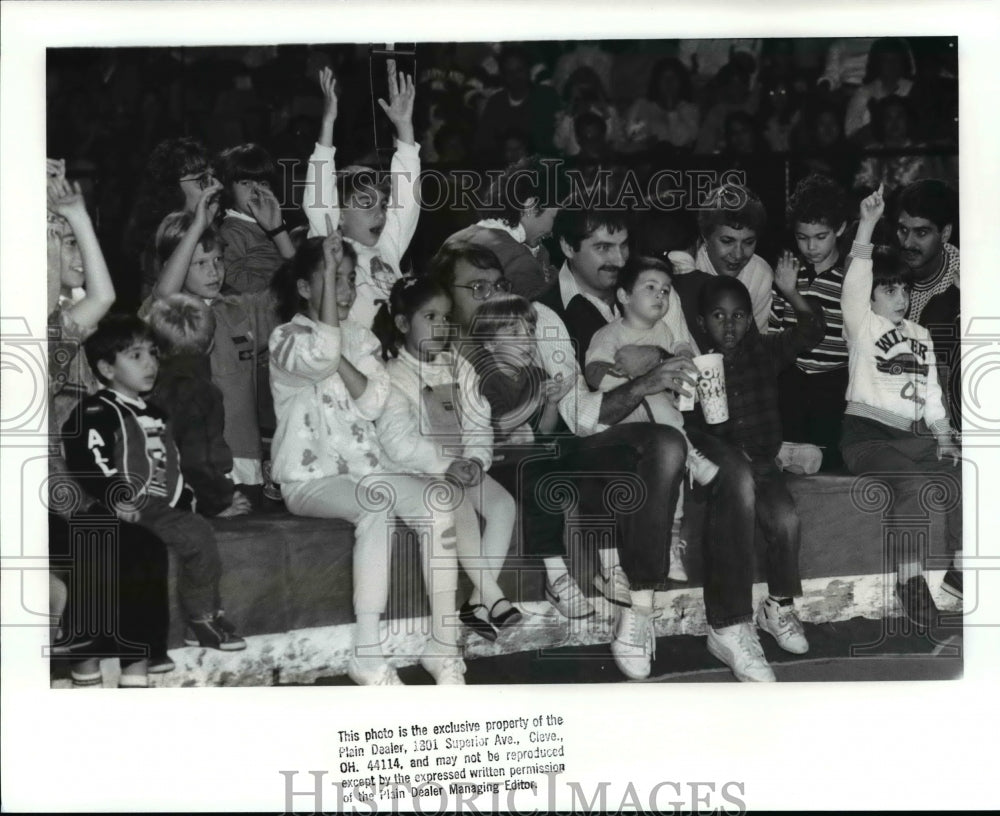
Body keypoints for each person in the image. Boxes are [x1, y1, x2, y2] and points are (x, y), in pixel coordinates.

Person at [432, 239, 694, 681]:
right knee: (541, 469)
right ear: (445, 294)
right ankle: (556, 576)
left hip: (545, 441)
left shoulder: (534, 327)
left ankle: (635, 596)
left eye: (496, 285)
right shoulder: (443, 351)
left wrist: (552, 399)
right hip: (489, 462)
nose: (490, 296)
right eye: (475, 287)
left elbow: (574, 417)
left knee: (662, 443)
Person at [269, 229, 465, 685]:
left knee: (437, 503)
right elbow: (317, 357)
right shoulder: (285, 338)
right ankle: (368, 650)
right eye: (332, 278)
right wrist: (333, 347)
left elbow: (373, 402)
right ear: (303, 288)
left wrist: (339, 351)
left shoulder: (361, 339)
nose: (345, 290)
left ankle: (444, 644)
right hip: (309, 478)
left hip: (364, 469)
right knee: (375, 508)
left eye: (350, 279)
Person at [47, 162, 171, 685]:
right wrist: (52, 227)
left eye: (73, 243)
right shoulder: (32, 329)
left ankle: (139, 669)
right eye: (62, 244)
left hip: (77, 487)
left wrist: (74, 214)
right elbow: (80, 291)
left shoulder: (69, 326)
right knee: (99, 544)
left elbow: (101, 295)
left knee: (143, 546)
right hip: (38, 494)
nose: (72, 250)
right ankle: (82, 668)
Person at [64, 314, 246, 652]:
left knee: (198, 532)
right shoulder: (97, 410)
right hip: (125, 504)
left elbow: (171, 463)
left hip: (159, 506)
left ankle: (203, 619)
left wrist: (188, 499)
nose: (149, 364)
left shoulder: (155, 412)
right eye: (136, 356)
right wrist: (115, 496)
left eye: (152, 354)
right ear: (106, 369)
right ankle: (201, 618)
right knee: (196, 536)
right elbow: (87, 458)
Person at [371, 276, 520, 643]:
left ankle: (475, 604)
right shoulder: (393, 374)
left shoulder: (458, 365)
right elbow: (398, 440)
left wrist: (475, 459)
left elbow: (477, 418)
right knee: (460, 508)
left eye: (445, 318)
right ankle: (494, 594)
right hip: (420, 471)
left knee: (503, 505)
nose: (441, 327)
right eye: (430, 317)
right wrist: (444, 465)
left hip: (461, 465)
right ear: (404, 324)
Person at [839, 184, 962, 621]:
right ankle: (909, 580)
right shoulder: (862, 327)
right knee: (908, 483)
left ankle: (960, 568)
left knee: (965, 469)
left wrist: (944, 436)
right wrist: (868, 225)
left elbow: (930, 393)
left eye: (902, 290)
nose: (899, 298)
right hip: (868, 435)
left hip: (913, 434)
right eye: (887, 290)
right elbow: (856, 280)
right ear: (870, 298)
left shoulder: (921, 335)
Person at [693, 268, 825, 661]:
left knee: (786, 520)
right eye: (718, 316)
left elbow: (813, 329)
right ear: (702, 322)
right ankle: (731, 622)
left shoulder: (765, 352)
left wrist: (789, 290)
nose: (729, 325)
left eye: (738, 315)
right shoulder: (696, 364)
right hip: (727, 471)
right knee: (740, 508)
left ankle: (778, 606)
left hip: (766, 464)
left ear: (750, 319)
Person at [584, 256, 719, 581]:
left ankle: (671, 548)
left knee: (675, 488)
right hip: (627, 424)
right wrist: (627, 378)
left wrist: (682, 357)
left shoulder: (665, 330)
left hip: (666, 427)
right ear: (624, 296)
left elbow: (684, 351)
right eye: (650, 288)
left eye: (666, 289)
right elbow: (593, 373)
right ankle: (693, 456)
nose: (661, 295)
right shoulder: (610, 334)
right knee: (654, 390)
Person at [145, 184, 279, 506]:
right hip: (192, 465)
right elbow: (165, 295)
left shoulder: (239, 309)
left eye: (218, 260)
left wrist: (277, 230)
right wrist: (196, 228)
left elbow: (299, 285)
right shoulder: (169, 316)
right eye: (199, 263)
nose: (214, 271)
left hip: (246, 459)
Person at [302, 63, 421, 329]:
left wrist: (404, 126)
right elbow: (318, 195)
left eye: (382, 204)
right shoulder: (330, 243)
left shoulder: (388, 244)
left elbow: (408, 196)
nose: (380, 213)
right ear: (339, 214)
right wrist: (328, 122)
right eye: (366, 204)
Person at [770, 174, 851, 471]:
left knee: (829, 446)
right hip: (794, 377)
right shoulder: (789, 273)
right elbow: (775, 330)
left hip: (834, 377)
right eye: (802, 237)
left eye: (820, 237)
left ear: (840, 229)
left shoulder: (848, 278)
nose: (811, 247)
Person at [146, 294, 253, 518]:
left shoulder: (147, 384)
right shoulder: (199, 392)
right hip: (184, 494)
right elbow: (198, 458)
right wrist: (219, 502)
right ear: (211, 345)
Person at [443, 156, 560, 302]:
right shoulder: (519, 259)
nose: (553, 230)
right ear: (530, 206)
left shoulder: (455, 238)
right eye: (554, 218)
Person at [121, 137, 215, 305]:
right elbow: (164, 302)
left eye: (212, 177)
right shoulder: (159, 237)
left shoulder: (213, 221)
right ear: (173, 189)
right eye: (202, 180)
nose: (215, 185)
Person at [671, 183, 774, 335]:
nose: (738, 254)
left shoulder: (761, 275)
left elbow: (757, 344)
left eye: (748, 242)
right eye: (727, 241)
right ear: (705, 237)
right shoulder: (687, 268)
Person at [216, 142, 296, 294]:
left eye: (263, 183)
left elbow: (293, 264)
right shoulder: (232, 230)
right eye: (245, 183)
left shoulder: (274, 220)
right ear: (230, 188)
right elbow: (230, 277)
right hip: (260, 302)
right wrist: (277, 286)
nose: (256, 190)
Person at [473, 44, 561, 162]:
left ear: (529, 70)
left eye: (520, 70)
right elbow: (484, 142)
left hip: (542, 166)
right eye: (509, 72)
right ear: (503, 76)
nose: (515, 77)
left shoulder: (546, 96)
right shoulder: (496, 102)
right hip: (505, 168)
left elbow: (557, 140)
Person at [892, 179, 959, 324]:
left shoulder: (963, 280)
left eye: (921, 233)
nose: (908, 243)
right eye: (903, 230)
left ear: (945, 233)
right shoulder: (888, 269)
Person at [622, 57, 700, 153]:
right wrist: (645, 143)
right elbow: (631, 138)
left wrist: (671, 111)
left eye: (674, 78)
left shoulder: (690, 110)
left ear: (681, 82)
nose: (669, 82)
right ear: (656, 82)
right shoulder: (641, 106)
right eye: (664, 77)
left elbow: (680, 142)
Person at [844, 38, 915, 139]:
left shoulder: (913, 89)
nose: (892, 65)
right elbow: (851, 133)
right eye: (886, 60)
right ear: (877, 63)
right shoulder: (863, 94)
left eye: (896, 60)